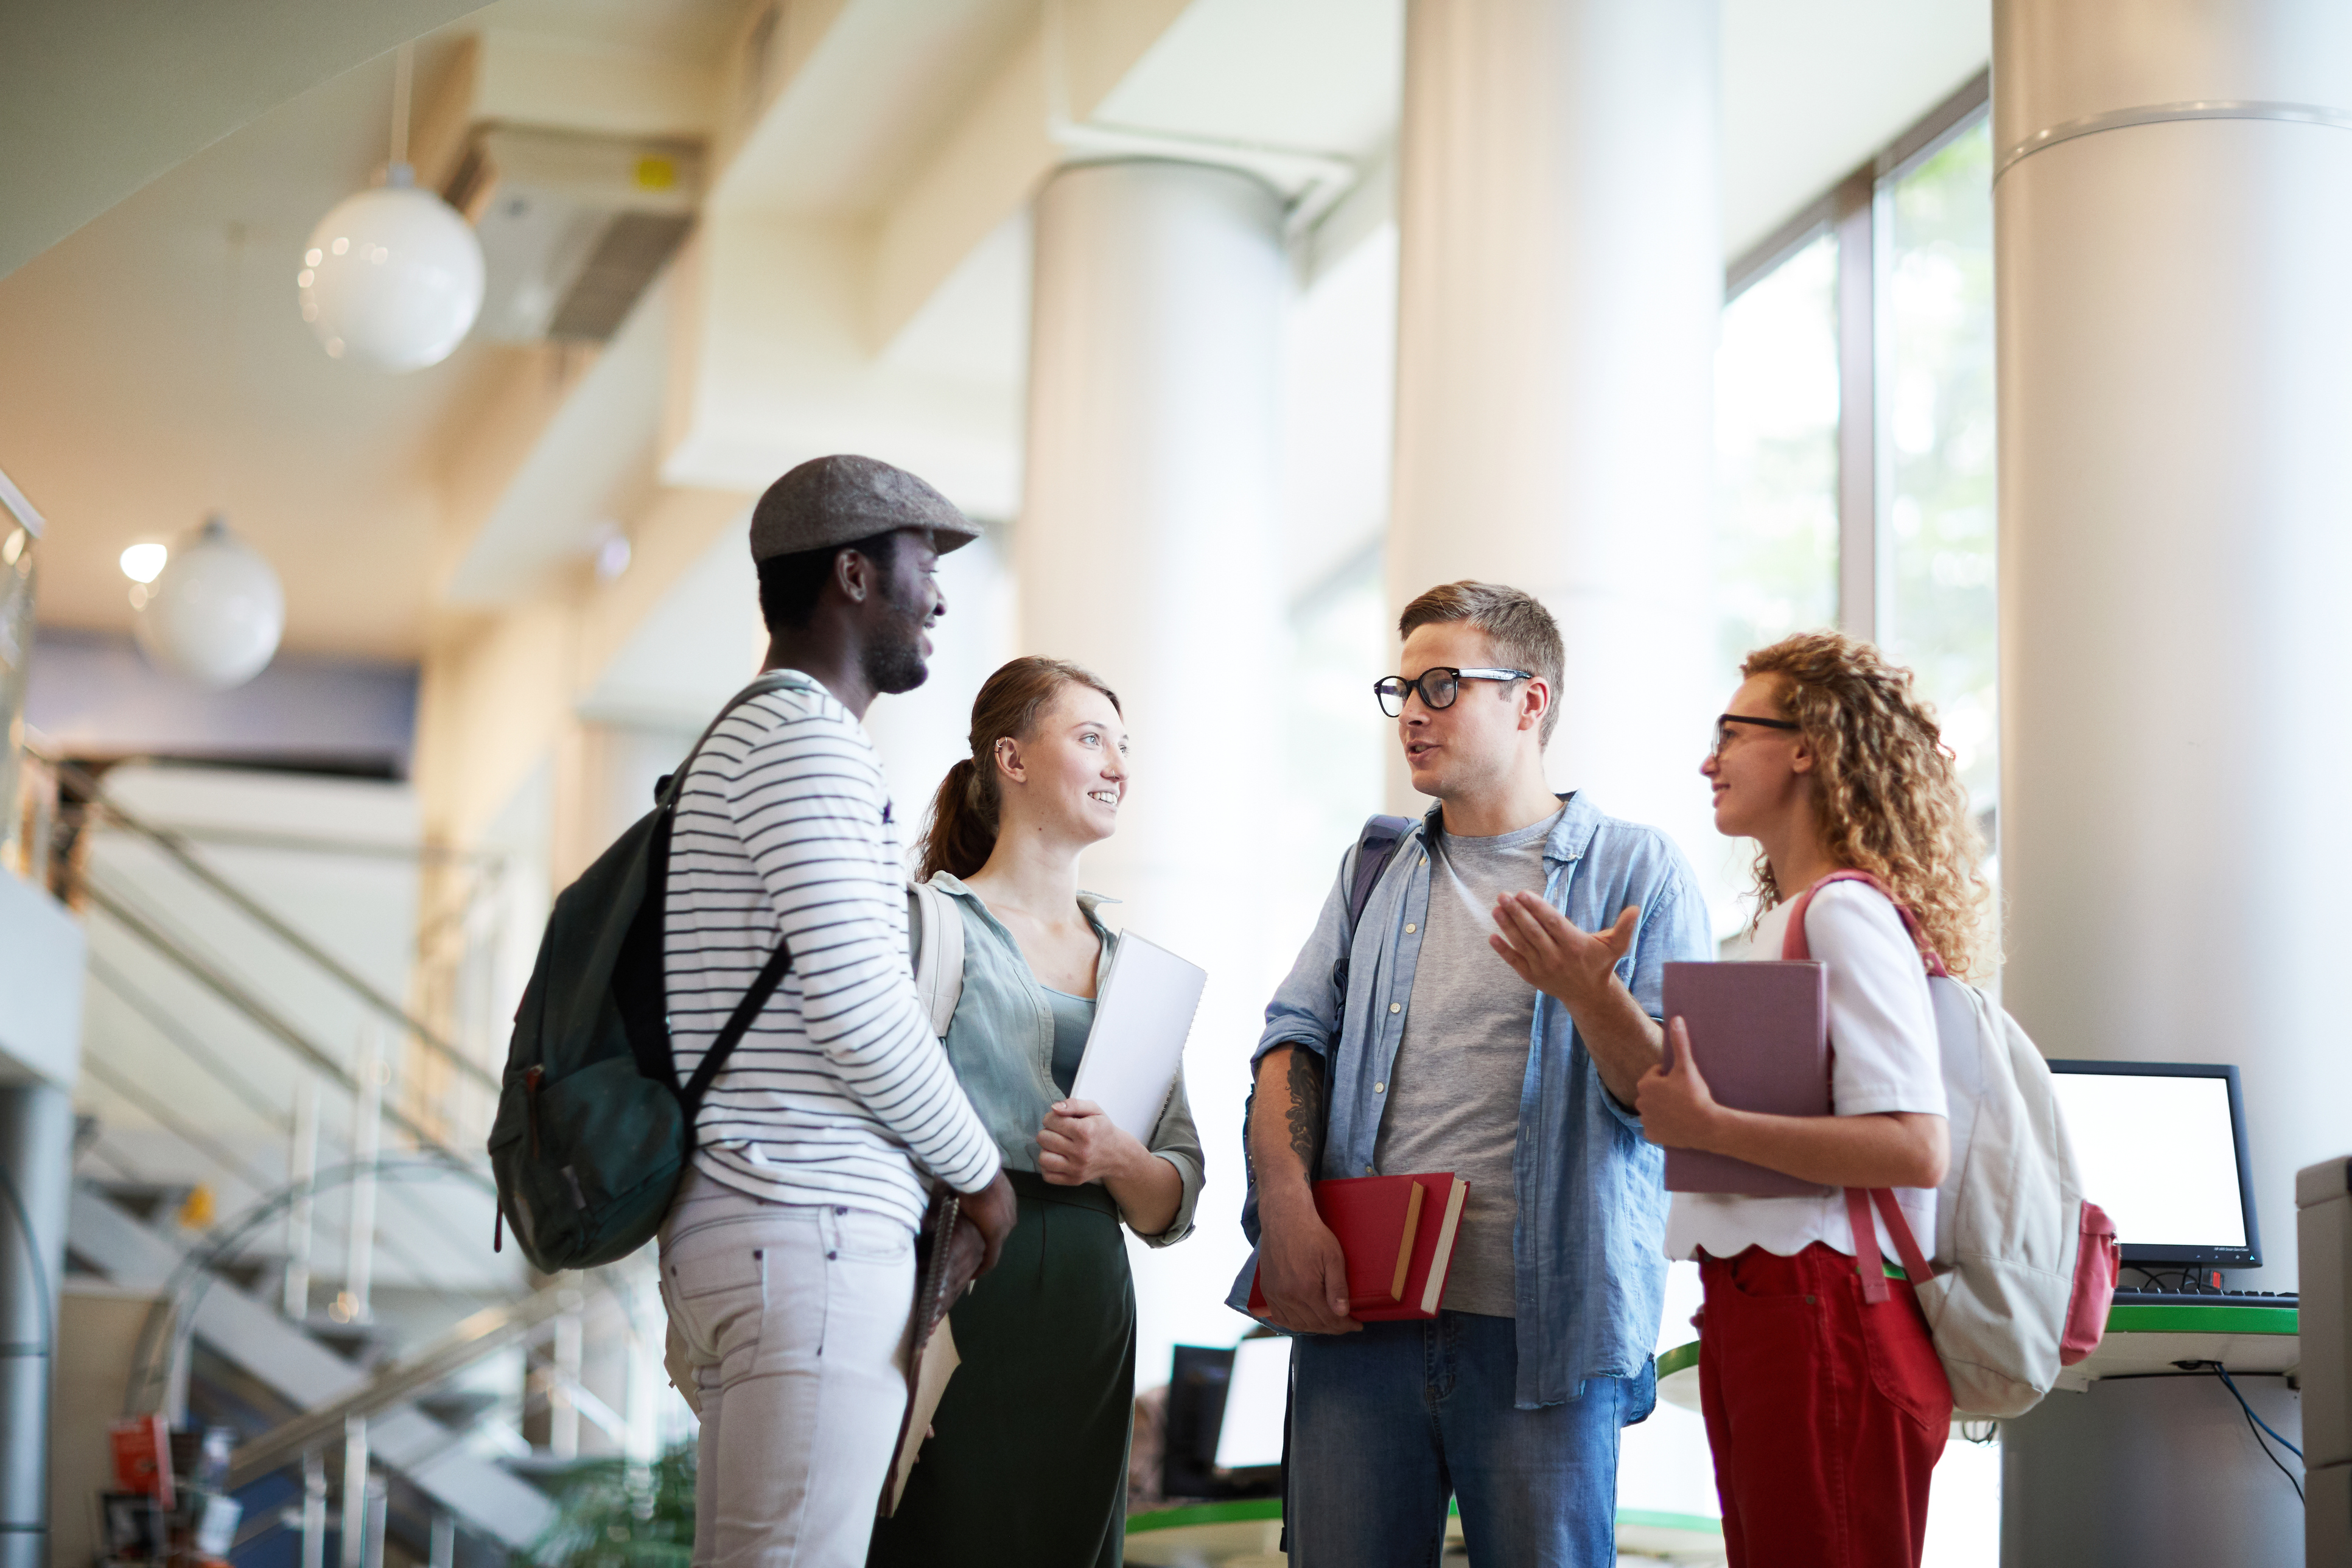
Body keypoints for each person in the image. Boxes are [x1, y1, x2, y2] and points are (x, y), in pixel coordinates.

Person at [1231, 580, 1713, 1568]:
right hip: (1360, 1317)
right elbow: (1293, 1036)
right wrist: (1283, 1205)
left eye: (1442, 686)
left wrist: (1591, 994)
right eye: (1401, 689)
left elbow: (1671, 1108)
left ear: (1530, 701)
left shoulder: (1639, 870)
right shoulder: (1375, 865)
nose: (1411, 712)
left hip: (1545, 1338)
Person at [656, 454, 1020, 1568]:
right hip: (806, 1230)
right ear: (855, 576)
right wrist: (982, 1176)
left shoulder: (741, 742)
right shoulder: (804, 740)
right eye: (925, 567)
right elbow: (862, 1013)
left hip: (749, 1222)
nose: (941, 599)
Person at [1636, 630, 1984, 1568]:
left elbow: (1915, 1146)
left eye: (1731, 732)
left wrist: (1708, 1128)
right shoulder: (1785, 922)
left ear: (1808, 745)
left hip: (1824, 1310)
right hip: (1769, 1305)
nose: (1708, 761)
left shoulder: (1842, 911)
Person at [869, 656, 1204, 1568]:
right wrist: (883, 1347)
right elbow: (866, 1142)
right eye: (1091, 739)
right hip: (958, 1289)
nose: (1118, 767)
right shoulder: (923, 927)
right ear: (1011, 761)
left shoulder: (1138, 969)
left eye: (1124, 747)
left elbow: (1177, 1197)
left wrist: (1117, 1161)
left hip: (1092, 1313)